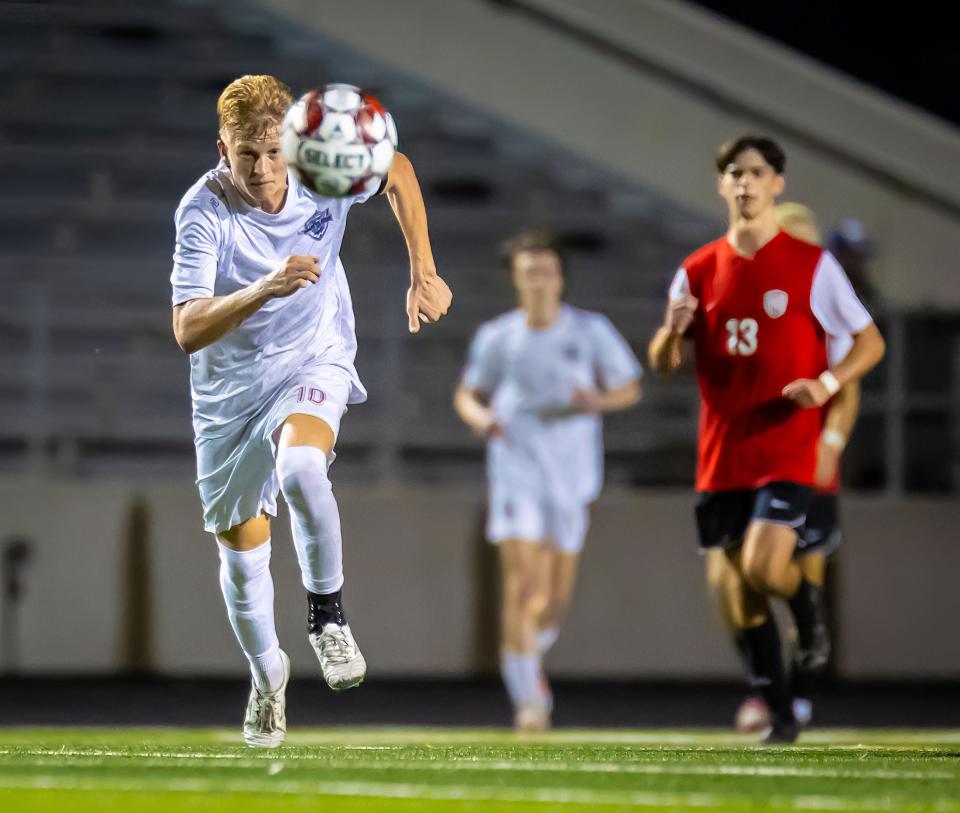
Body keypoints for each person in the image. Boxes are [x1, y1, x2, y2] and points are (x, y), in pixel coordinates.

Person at [170, 75, 452, 747]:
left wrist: (423, 270)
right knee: (242, 552)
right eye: (247, 155)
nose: (263, 169)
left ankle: (327, 618)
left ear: (292, 143)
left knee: (301, 467)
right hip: (228, 391)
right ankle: (268, 676)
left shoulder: (322, 167)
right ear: (222, 149)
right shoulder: (202, 210)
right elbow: (186, 327)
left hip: (313, 354)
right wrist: (265, 287)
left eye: (272, 151)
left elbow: (399, 170)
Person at [648, 135, 885, 742]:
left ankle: (807, 610)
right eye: (734, 173)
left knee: (760, 565)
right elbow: (661, 362)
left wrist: (826, 383)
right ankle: (780, 713)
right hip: (723, 450)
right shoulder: (698, 269)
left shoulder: (810, 265)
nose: (746, 183)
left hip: (786, 445)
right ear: (722, 185)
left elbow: (870, 341)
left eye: (757, 173)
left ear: (777, 183)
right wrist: (672, 334)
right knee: (739, 593)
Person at [454, 231, 642, 731]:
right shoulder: (500, 336)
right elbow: (469, 394)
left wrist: (596, 401)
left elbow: (628, 387)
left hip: (572, 475)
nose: (538, 279)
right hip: (516, 466)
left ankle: (525, 657)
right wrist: (481, 417)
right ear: (515, 278)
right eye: (528, 270)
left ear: (560, 277)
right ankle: (528, 700)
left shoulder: (590, 331)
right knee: (521, 585)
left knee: (552, 601)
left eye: (546, 269)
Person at [704, 203, 862, 733]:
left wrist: (831, 444)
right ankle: (765, 683)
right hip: (744, 460)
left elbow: (847, 386)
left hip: (802, 462)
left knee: (791, 575)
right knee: (729, 579)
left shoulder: (823, 304)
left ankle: (796, 694)